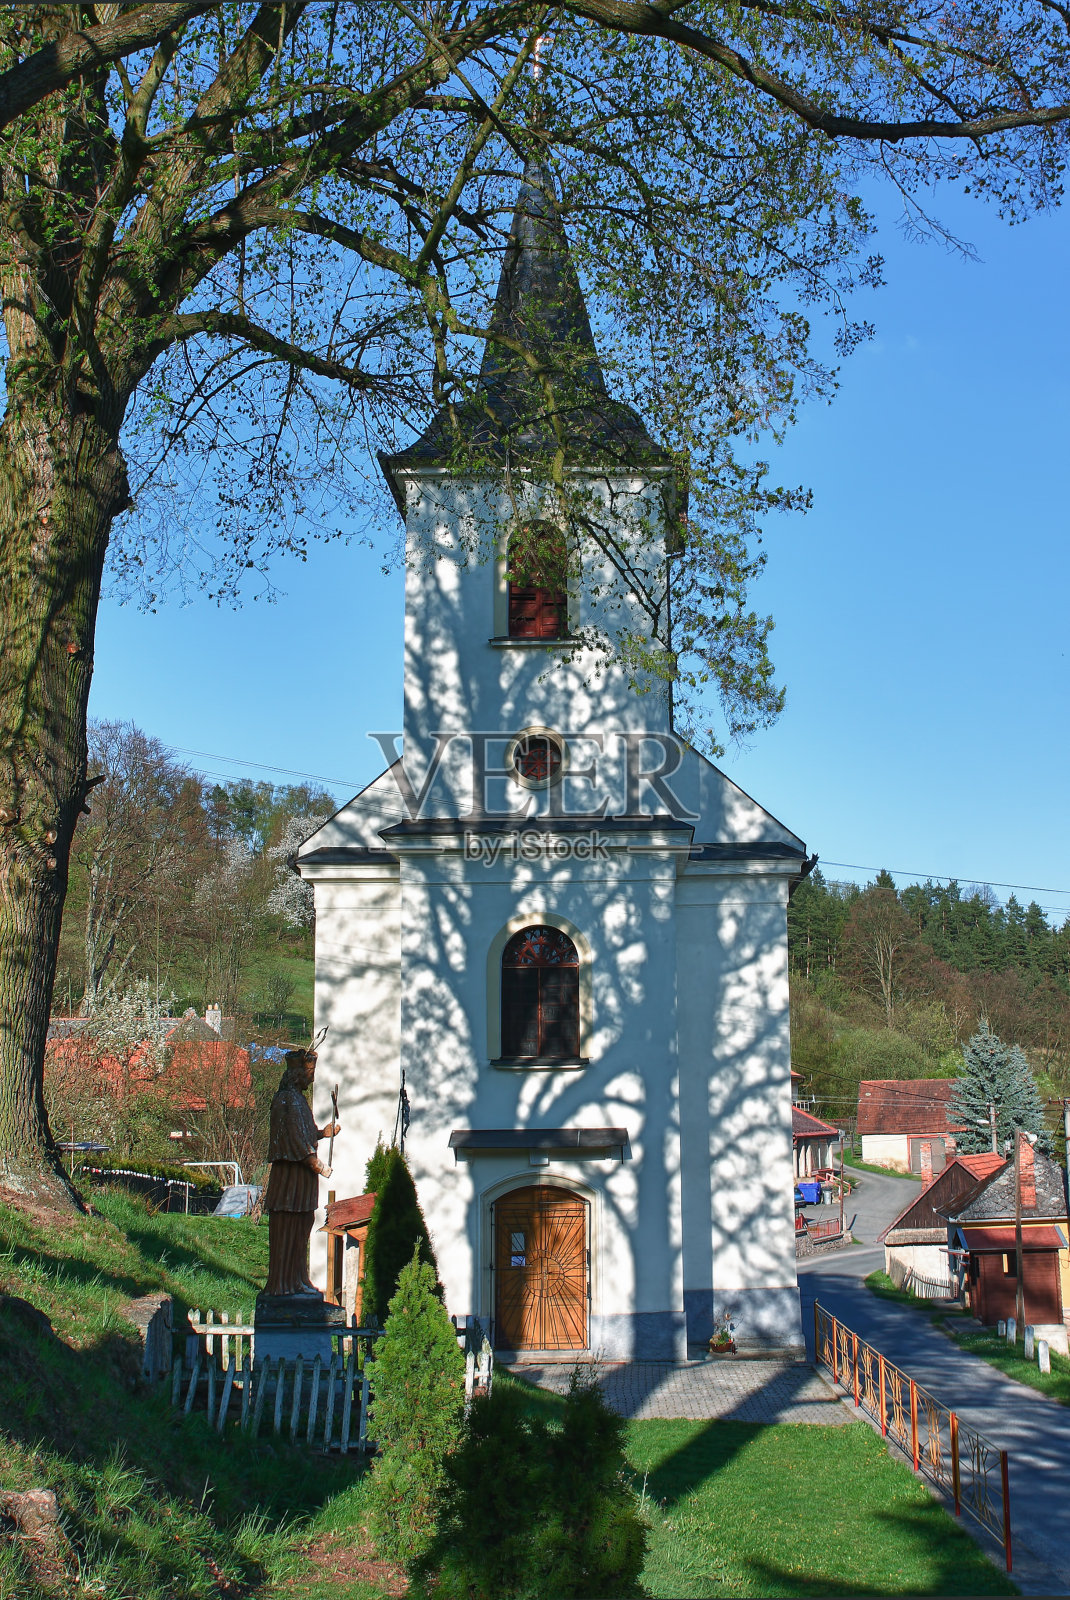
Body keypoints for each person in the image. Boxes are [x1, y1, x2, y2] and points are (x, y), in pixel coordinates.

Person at [262, 1047, 339, 1297]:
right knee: (288, 1227)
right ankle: (283, 1283)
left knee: (303, 1225)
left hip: (302, 1179)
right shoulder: (285, 1100)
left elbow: (305, 1132)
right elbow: (293, 1139)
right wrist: (314, 1163)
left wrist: (322, 1133)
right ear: (297, 1075)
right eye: (310, 1074)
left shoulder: (299, 1100)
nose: (312, 1079)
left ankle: (298, 1278)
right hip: (290, 1176)